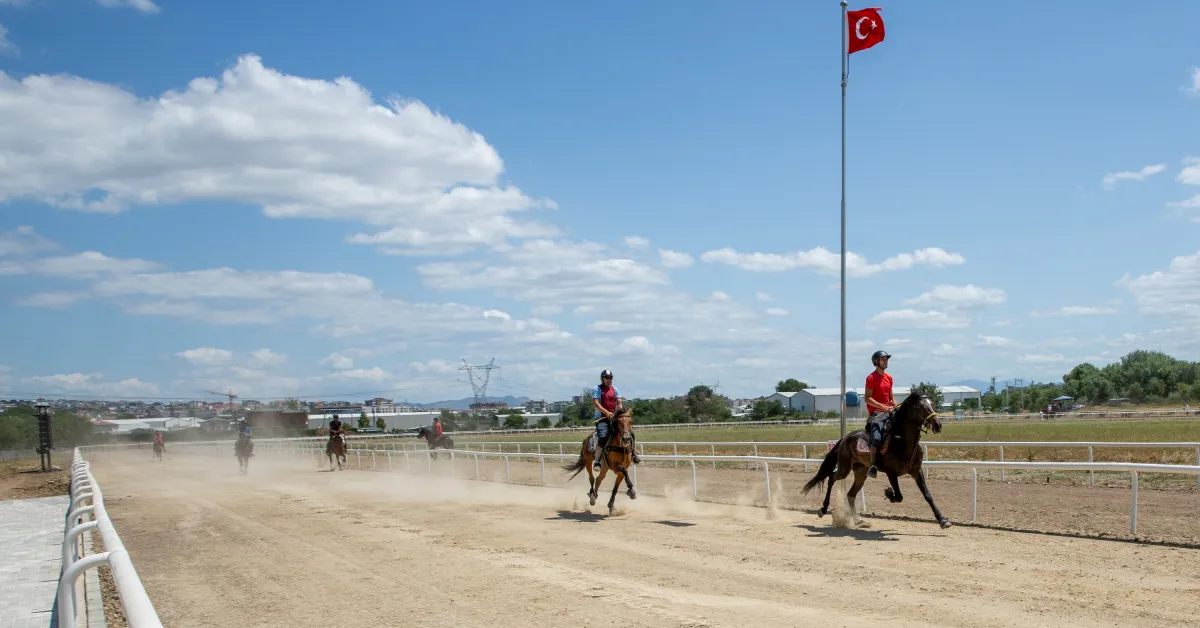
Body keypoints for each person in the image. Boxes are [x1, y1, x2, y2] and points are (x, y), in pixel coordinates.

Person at [592, 369, 642, 470]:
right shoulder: (597, 388)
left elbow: (619, 402)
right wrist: (607, 413)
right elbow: (596, 404)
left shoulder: (615, 389)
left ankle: (633, 454)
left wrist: (620, 413)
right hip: (602, 419)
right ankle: (597, 461)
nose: (609, 380)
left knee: (630, 434)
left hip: (614, 417)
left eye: (610, 378)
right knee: (602, 437)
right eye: (606, 378)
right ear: (602, 379)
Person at [864, 350, 897, 478]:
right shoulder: (871, 378)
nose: (886, 361)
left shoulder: (889, 378)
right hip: (876, 413)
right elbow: (867, 398)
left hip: (888, 411)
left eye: (886, 359)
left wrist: (895, 406)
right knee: (877, 437)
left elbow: (891, 400)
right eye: (883, 359)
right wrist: (883, 407)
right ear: (876, 362)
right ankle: (873, 465)